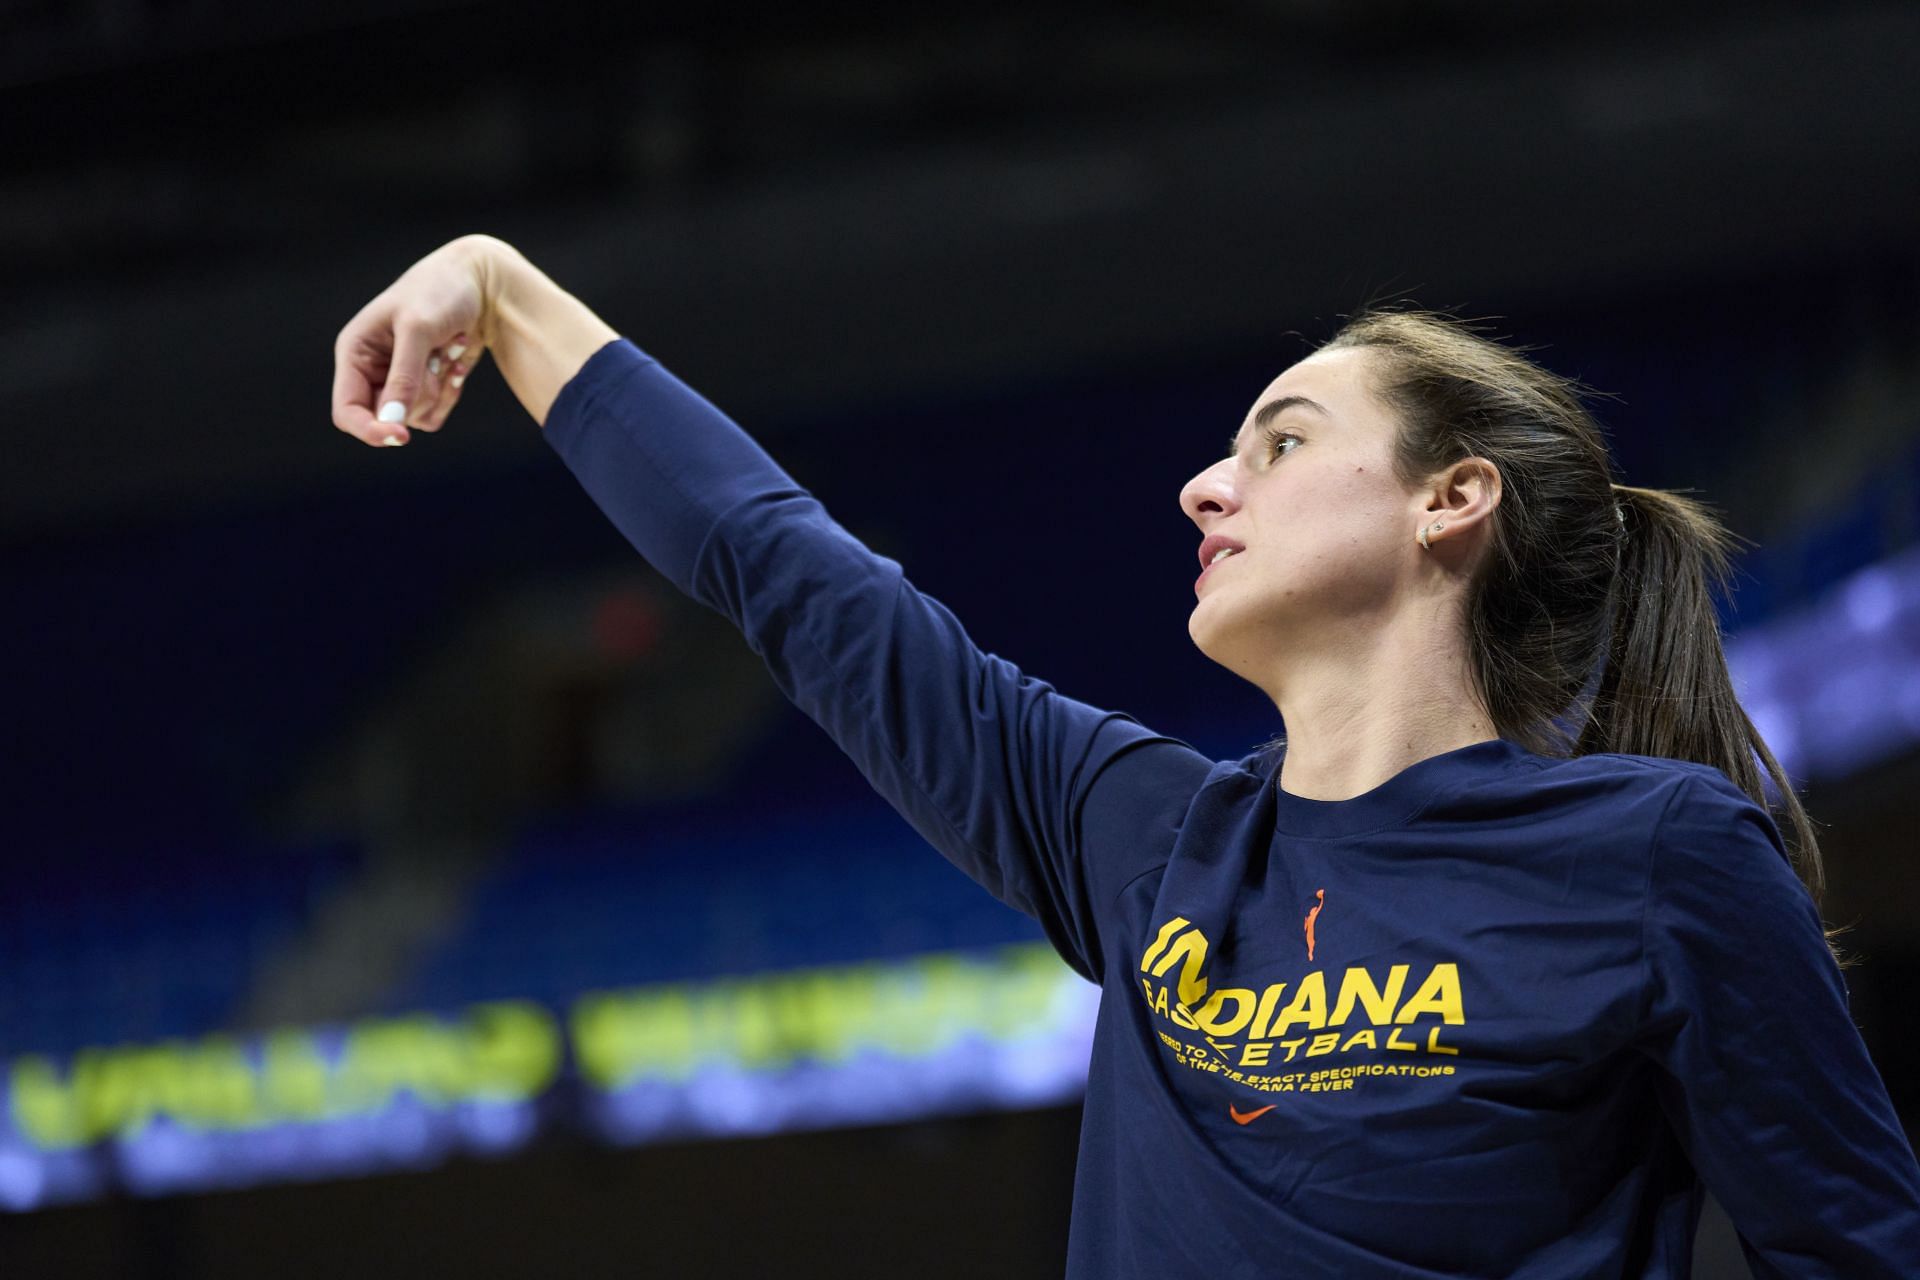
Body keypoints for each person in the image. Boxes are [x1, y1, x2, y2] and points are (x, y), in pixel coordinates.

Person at [332, 233, 1920, 1277]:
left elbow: (1852, 1253)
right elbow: (788, 570)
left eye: (1281, 441)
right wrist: (501, 291)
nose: (1202, 490)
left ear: (1454, 500)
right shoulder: (1148, 837)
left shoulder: (1657, 855)